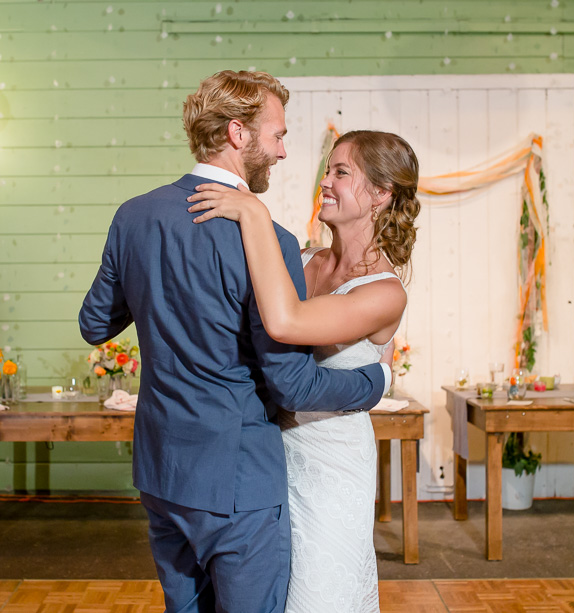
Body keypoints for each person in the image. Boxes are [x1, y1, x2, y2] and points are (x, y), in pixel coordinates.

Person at [78, 72, 392, 613]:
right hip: (237, 481)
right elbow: (290, 383)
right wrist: (375, 380)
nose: (283, 152)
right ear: (239, 135)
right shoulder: (272, 242)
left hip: (160, 473)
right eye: (277, 136)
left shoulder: (133, 216)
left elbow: (94, 325)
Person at [187, 130, 421, 612]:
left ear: (381, 194)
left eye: (341, 172)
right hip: (269, 455)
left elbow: (286, 322)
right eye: (327, 171)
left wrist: (253, 212)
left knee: (317, 594)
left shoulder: (384, 292)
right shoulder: (300, 259)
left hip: (332, 465)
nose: (326, 183)